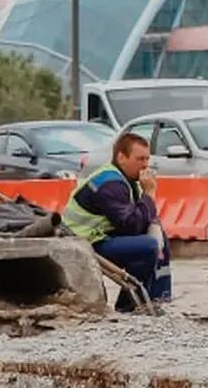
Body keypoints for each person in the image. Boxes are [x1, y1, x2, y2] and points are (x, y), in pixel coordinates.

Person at [60, 131, 170, 312]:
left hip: (100, 236)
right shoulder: (110, 184)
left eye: (147, 159)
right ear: (121, 157)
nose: (145, 166)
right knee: (148, 246)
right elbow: (131, 225)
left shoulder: (126, 180)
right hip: (85, 243)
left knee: (159, 238)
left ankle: (157, 298)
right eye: (139, 159)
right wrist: (149, 195)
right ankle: (130, 305)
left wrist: (154, 225)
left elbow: (138, 220)